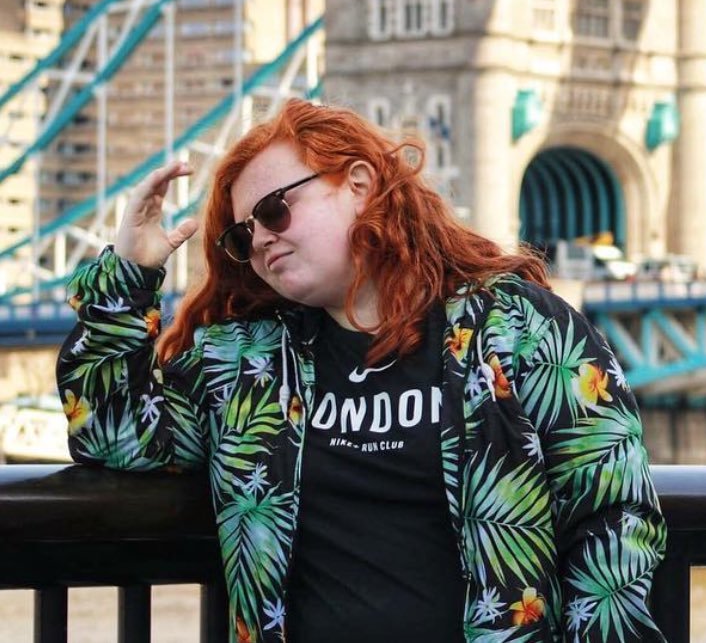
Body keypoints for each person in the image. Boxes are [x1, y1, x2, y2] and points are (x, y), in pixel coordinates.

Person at [57, 98, 667, 643]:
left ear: (358, 184)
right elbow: (113, 434)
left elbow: (613, 514)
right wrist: (127, 275)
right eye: (244, 236)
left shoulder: (520, 329)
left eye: (275, 210)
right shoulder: (242, 365)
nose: (262, 240)